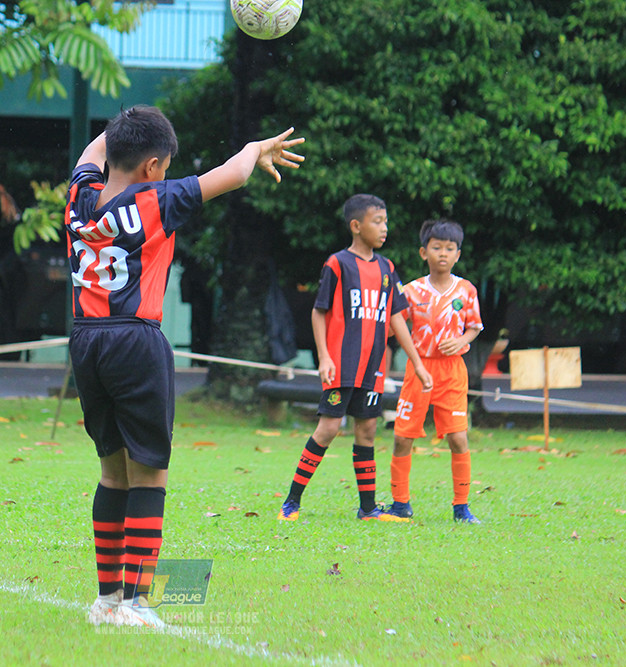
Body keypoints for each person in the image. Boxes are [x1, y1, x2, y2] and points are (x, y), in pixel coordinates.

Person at [67, 105, 305, 628]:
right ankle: (138, 604)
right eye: (165, 166)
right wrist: (255, 148)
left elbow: (93, 150)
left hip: (86, 341)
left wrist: (126, 126)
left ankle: (107, 600)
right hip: (135, 341)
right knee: (150, 473)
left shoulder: (79, 196)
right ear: (153, 166)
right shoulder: (157, 199)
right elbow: (234, 174)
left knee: (112, 472)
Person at [278, 194, 433, 523]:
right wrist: (324, 357)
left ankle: (368, 510)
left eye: (386, 222)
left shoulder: (387, 268)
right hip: (341, 364)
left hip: (373, 368)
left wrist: (417, 363)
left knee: (367, 432)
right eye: (377, 221)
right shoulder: (338, 264)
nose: (384, 228)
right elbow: (319, 312)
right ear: (356, 226)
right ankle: (291, 503)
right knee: (328, 428)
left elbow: (396, 318)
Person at [387, 219, 484, 523]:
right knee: (403, 437)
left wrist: (462, 340)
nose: (443, 253)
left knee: (458, 438)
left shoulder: (466, 290)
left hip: (452, 372)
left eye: (450, 248)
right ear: (423, 252)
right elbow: (394, 324)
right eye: (437, 247)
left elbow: (474, 327)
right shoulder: (411, 290)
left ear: (458, 254)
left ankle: (461, 507)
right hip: (418, 370)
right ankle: (400, 504)